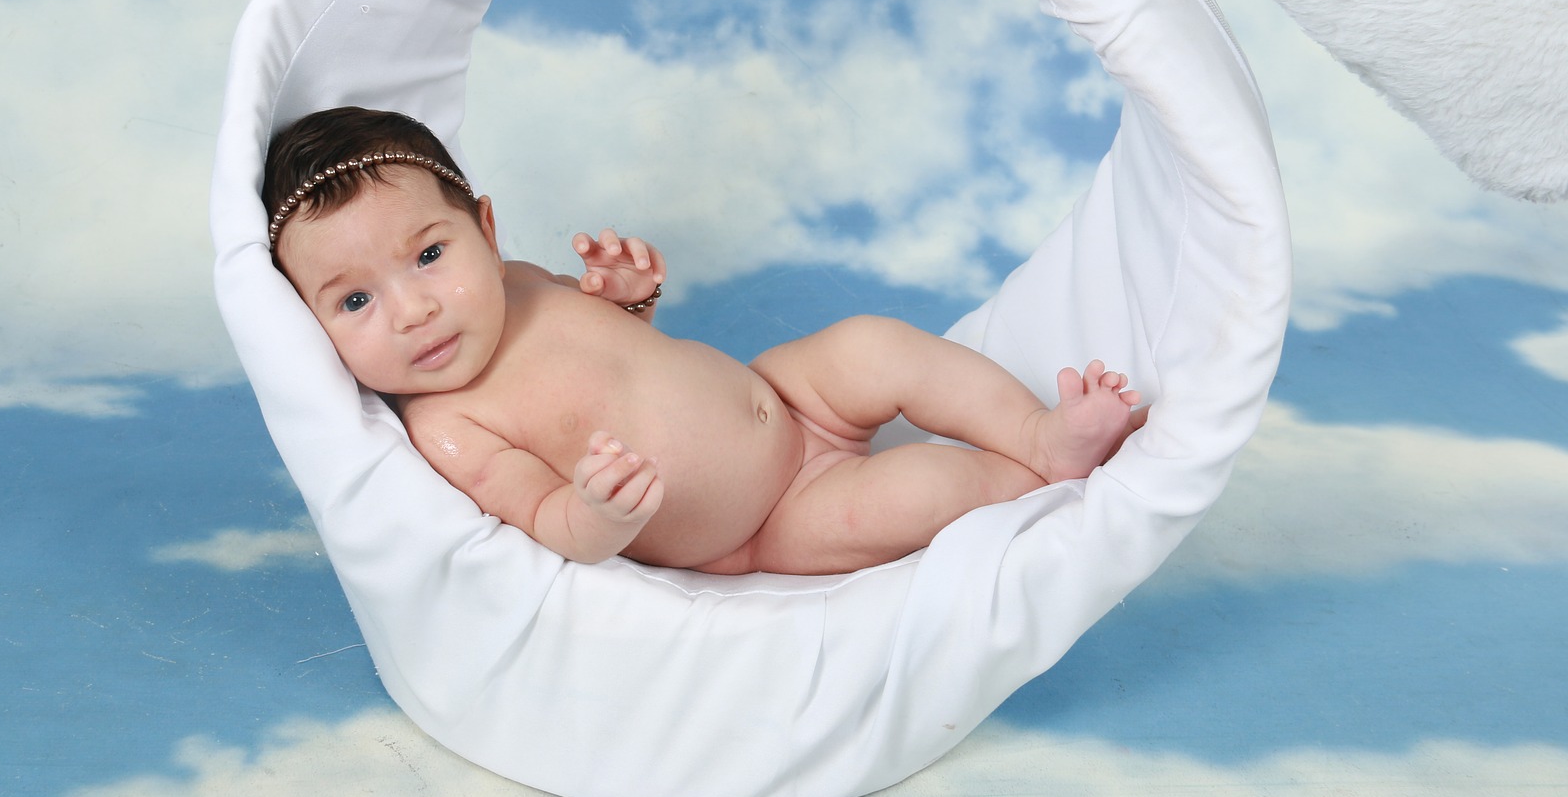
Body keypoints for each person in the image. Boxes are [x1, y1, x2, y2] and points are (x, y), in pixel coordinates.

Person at [265, 104, 1145, 577]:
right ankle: (1042, 483)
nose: (412, 309)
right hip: (764, 522)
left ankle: (1038, 434)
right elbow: (545, 518)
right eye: (353, 302)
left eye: (427, 254)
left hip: (786, 394)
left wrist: (629, 297)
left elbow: (624, 350)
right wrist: (598, 512)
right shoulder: (447, 425)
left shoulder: (521, 280)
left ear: (486, 231)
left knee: (873, 342)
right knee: (924, 490)